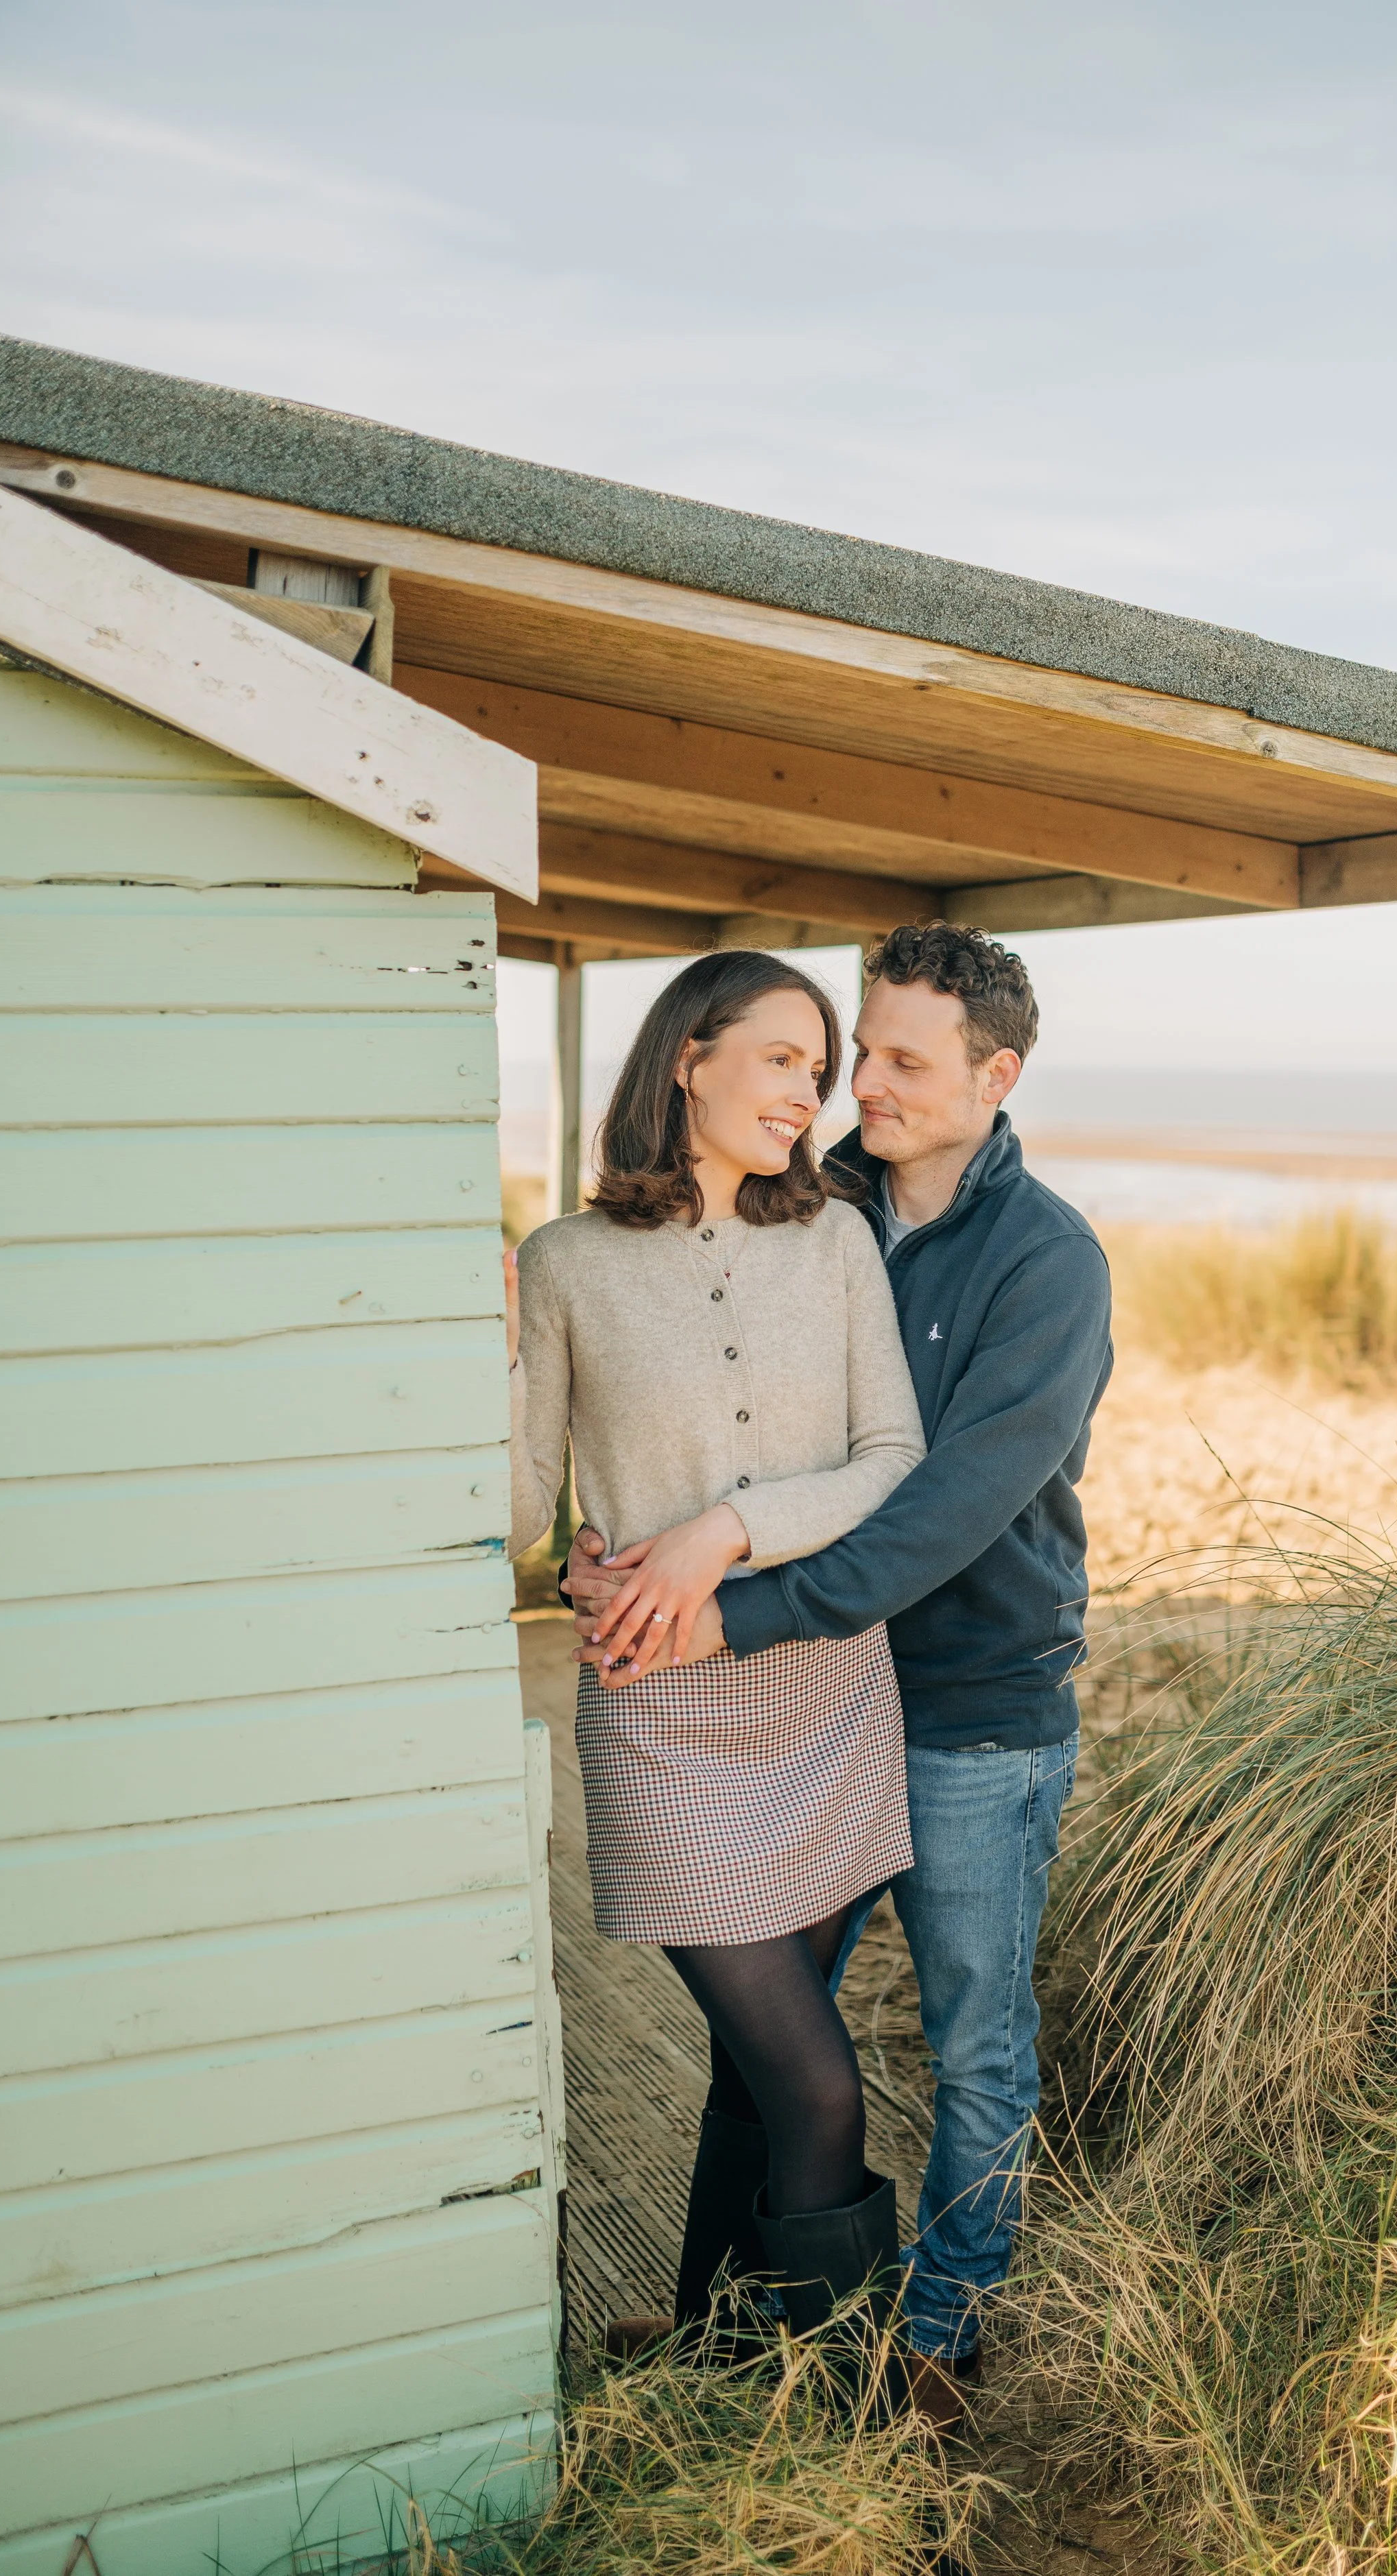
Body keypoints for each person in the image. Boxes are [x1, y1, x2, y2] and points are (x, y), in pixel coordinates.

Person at [572, 923, 1113, 2424]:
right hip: (815, 1698)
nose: (852, 1084)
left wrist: (729, 1613)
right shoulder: (825, 1209)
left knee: (971, 2037)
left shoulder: (1048, 1264)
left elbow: (938, 1504)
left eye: (895, 1061)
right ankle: (726, 2328)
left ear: (994, 1078)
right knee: (772, 2040)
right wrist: (607, 1542)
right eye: (849, 1051)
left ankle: (935, 2335)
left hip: (970, 1713)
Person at [507, 949, 926, 2376]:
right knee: (815, 2088)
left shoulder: (836, 1243)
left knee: (759, 2086)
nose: (811, 1093)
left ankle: (714, 2360)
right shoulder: (563, 1263)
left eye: (820, 1068)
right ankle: (841, 2436)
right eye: (783, 1058)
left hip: (822, 1694)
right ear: (688, 1055)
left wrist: (721, 1533)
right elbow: (519, 1510)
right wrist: (565, 1530)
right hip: (661, 1712)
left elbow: (893, 1460)